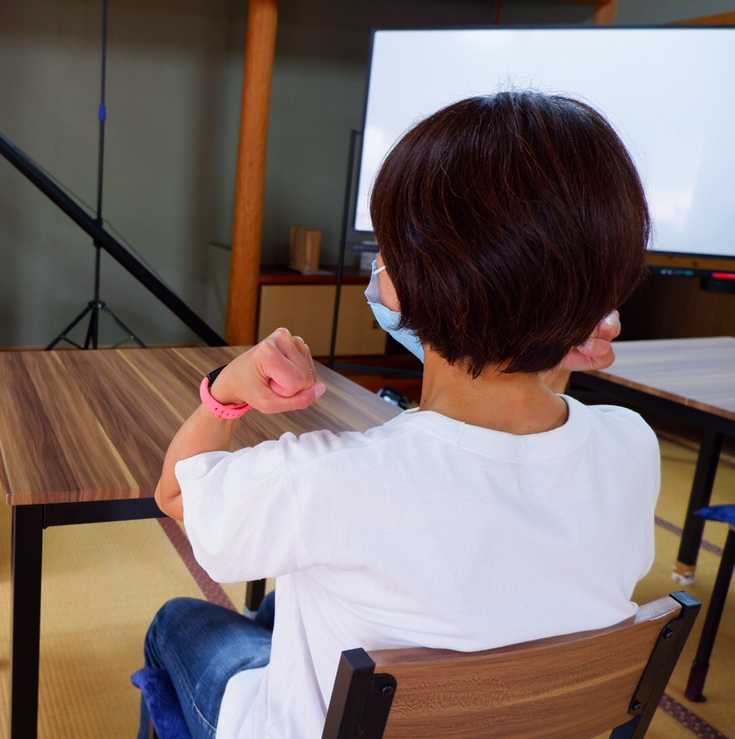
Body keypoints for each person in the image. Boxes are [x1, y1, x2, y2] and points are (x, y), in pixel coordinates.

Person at [140, 90, 656, 739]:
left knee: (177, 622)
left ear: (401, 283)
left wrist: (229, 386)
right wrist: (550, 341)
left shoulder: (333, 479)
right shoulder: (633, 447)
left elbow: (176, 494)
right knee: (286, 601)